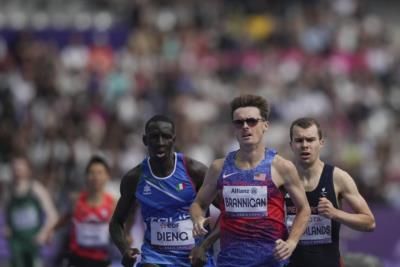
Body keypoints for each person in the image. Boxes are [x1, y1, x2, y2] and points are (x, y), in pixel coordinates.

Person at [190, 94, 311, 267]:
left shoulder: (281, 167)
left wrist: (291, 242)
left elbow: (304, 209)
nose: (245, 127)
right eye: (239, 123)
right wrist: (197, 219)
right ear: (233, 128)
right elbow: (199, 204)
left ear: (265, 125)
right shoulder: (219, 168)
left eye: (252, 121)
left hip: (271, 262)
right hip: (230, 262)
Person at [109, 115, 215, 267]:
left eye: (165, 137)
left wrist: (204, 247)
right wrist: (124, 249)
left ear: (174, 139)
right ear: (145, 140)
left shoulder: (194, 171)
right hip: (155, 258)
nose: (160, 143)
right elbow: (116, 222)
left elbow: (227, 210)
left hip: (194, 258)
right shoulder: (135, 178)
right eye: (154, 137)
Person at [285, 117, 376, 267]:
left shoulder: (338, 178)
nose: (305, 145)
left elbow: (369, 222)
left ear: (321, 143)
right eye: (299, 140)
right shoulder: (282, 180)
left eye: (310, 140)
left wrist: (335, 213)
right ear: (291, 145)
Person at [49, 155, 116, 267]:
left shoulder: (113, 204)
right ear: (86, 176)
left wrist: (126, 240)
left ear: (107, 176)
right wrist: (51, 231)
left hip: (101, 260)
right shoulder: (75, 200)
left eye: (100, 173)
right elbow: (64, 219)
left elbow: (120, 229)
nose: (95, 177)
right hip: (77, 259)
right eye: (91, 173)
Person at [4, 155, 58, 267]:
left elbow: (53, 215)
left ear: (28, 169)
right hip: (16, 245)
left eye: (20, 168)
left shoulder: (36, 189)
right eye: (15, 168)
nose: (17, 171)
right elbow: (7, 216)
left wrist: (44, 233)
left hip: (34, 244)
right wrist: (7, 228)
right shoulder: (8, 192)